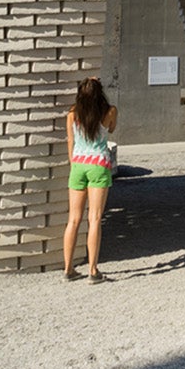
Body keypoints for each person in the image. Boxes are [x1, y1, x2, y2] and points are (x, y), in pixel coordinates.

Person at [63, 77, 118, 282]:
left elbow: (71, 140)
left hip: (78, 164)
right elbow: (111, 129)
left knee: (73, 219)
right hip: (98, 165)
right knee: (94, 218)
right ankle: (93, 271)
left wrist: (73, 163)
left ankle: (68, 269)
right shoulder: (110, 111)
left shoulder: (72, 114)